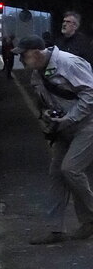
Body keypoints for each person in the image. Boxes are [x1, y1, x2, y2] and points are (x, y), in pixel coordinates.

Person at [18, 34, 93, 244]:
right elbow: (45, 101)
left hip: (87, 124)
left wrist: (70, 118)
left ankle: (90, 215)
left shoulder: (69, 63)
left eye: (24, 55)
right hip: (64, 128)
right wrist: (48, 115)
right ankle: (57, 230)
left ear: (36, 53)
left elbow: (90, 93)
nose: (22, 60)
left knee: (71, 169)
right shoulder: (37, 74)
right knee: (57, 174)